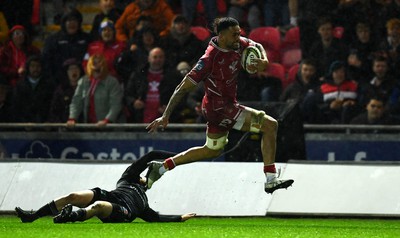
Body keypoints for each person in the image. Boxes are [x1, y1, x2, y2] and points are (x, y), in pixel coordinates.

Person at [145, 17, 294, 194]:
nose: (238, 38)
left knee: (212, 150)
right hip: (220, 109)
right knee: (270, 125)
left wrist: (264, 61)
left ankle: (161, 167)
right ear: (221, 35)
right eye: (234, 35)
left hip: (223, 106)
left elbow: (257, 45)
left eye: (239, 33)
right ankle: (271, 179)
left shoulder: (236, 43)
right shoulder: (209, 60)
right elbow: (182, 88)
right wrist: (166, 115)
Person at [15, 150, 196, 223]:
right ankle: (32, 216)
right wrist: (181, 157)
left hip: (122, 210)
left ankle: (69, 217)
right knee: (73, 196)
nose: (143, 178)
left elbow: (156, 218)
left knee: (99, 206)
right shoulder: (128, 179)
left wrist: (180, 218)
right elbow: (151, 155)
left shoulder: (143, 204)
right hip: (110, 196)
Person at [124, 47, 182, 123]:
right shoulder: (138, 75)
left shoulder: (173, 76)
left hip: (165, 122)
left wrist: (170, 109)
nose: (158, 60)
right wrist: (133, 102)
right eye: (155, 57)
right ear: (149, 59)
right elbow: (127, 94)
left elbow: (181, 96)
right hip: (140, 120)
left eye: (160, 57)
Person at [67, 54, 123, 127]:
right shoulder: (83, 81)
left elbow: (116, 104)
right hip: (89, 125)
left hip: (109, 127)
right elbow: (76, 101)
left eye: (100, 63)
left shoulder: (112, 82)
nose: (97, 66)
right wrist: (72, 118)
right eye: (94, 63)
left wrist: (107, 120)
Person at [42, 7, 91, 85]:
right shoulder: (53, 40)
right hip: (58, 83)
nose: (72, 23)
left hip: (83, 82)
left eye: (74, 20)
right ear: (63, 23)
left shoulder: (87, 39)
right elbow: (46, 63)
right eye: (68, 20)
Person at [11, 55, 55, 123]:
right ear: (28, 68)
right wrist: (24, 122)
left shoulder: (49, 85)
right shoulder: (20, 85)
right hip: (23, 126)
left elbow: (51, 106)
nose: (35, 69)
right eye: (32, 66)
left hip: (44, 126)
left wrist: (48, 121)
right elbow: (16, 107)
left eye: (38, 66)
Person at [48, 58, 83, 123]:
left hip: (84, 128)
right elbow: (54, 112)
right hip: (65, 128)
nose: (74, 71)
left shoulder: (86, 88)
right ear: (66, 72)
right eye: (71, 69)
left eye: (76, 68)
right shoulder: (60, 90)